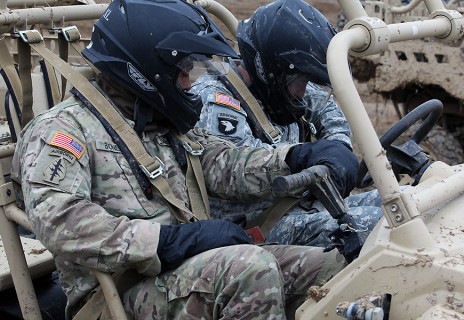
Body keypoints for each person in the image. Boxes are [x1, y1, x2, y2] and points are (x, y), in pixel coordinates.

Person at [10, 0, 359, 319]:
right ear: (148, 67)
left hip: (188, 271)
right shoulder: (62, 130)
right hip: (117, 293)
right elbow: (61, 222)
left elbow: (225, 163)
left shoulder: (158, 122)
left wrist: (296, 157)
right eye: (184, 70)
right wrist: (168, 242)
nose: (190, 83)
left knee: (334, 266)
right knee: (251, 272)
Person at [191, 0, 384, 248]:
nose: (303, 92)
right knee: (378, 225)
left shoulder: (285, 85)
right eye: (301, 80)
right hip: (255, 227)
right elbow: (237, 173)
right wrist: (302, 157)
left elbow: (326, 108)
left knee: (402, 203)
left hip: (300, 205)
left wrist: (337, 148)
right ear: (271, 69)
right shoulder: (216, 100)